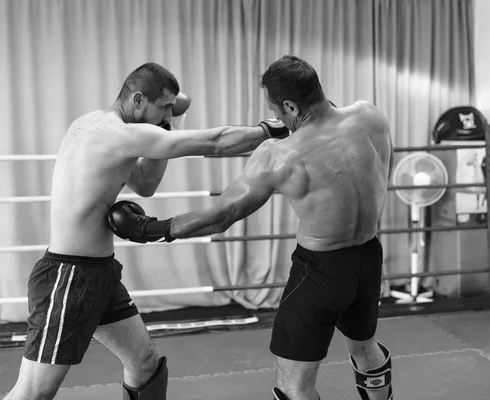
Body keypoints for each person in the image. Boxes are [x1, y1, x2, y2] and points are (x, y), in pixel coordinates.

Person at [108, 55, 395, 400]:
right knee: (364, 348)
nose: (275, 118)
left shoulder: (281, 155)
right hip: (367, 258)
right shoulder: (370, 116)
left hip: (320, 273)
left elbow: (222, 215)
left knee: (293, 385)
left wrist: (152, 228)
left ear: (289, 106)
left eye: (276, 110)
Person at [4, 62, 288, 400]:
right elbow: (216, 142)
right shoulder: (115, 134)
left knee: (145, 365)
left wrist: (167, 125)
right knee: (33, 393)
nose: (167, 113)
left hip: (99, 275)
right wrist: (274, 129)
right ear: (138, 100)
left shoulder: (95, 127)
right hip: (70, 277)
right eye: (164, 106)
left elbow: (146, 185)